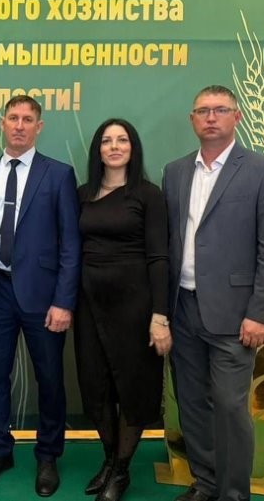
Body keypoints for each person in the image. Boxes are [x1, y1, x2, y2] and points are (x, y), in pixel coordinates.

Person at [163, 85, 264, 501]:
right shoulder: (175, 172)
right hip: (183, 308)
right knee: (191, 403)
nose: (211, 117)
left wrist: (261, 313)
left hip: (236, 315)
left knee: (231, 407)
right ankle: (205, 483)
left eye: (220, 110)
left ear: (237, 117)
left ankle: (233, 494)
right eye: (203, 111)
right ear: (192, 120)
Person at [0, 95, 81, 498]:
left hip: (44, 297)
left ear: (39, 126)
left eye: (27, 119)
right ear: (2, 123)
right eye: (13, 118)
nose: (19, 125)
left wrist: (64, 301)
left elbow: (71, 243)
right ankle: (0, 450)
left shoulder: (59, 174)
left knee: (49, 378)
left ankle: (47, 456)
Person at [75, 119, 171, 501]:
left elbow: (159, 257)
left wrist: (160, 316)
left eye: (122, 140)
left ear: (133, 148)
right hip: (89, 306)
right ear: (98, 150)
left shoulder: (148, 194)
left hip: (135, 308)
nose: (114, 146)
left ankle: (121, 470)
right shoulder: (82, 194)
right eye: (107, 141)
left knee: (132, 387)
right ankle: (109, 458)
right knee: (95, 385)